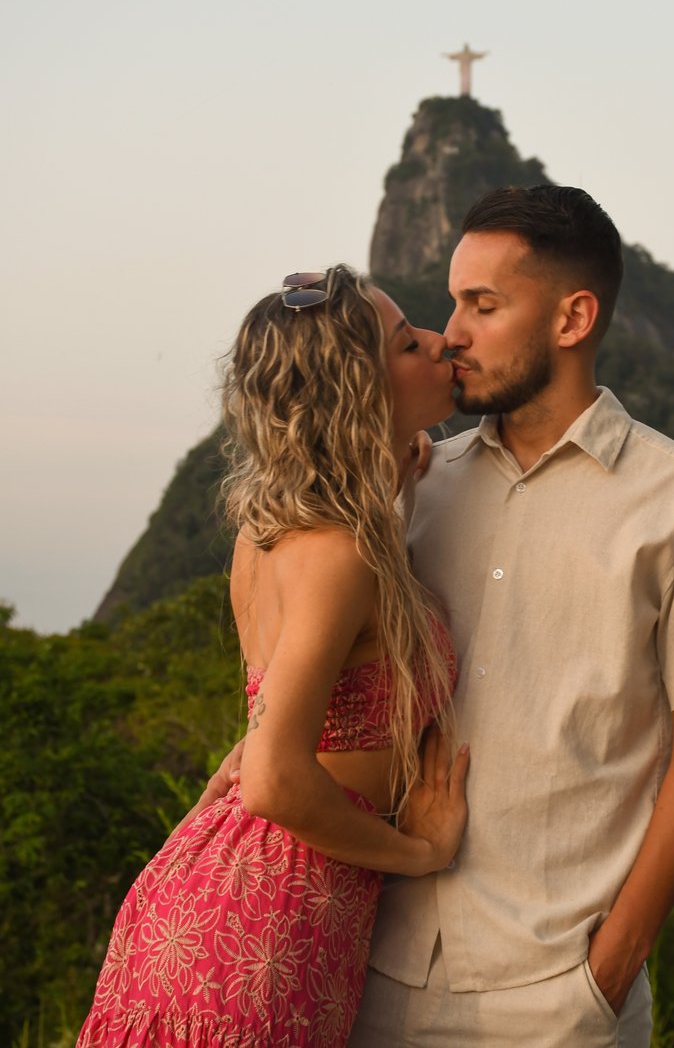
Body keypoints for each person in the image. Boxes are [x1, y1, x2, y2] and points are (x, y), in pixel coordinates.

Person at [344, 186, 674, 1046]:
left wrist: (611, 968)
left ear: (573, 318)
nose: (453, 331)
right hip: (376, 975)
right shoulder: (416, 482)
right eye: (452, 301)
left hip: (560, 998)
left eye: (484, 304)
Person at [77, 265, 468, 1048]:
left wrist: (401, 458)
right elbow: (276, 779)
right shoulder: (341, 550)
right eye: (407, 342)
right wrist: (420, 854)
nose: (442, 340)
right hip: (263, 930)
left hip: (217, 907)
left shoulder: (276, 534)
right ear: (360, 389)